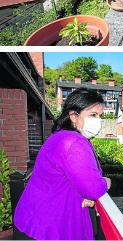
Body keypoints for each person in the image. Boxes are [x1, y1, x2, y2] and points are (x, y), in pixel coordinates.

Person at [13, 88, 111, 240]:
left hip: (36, 220)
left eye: (100, 116)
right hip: (51, 226)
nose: (98, 120)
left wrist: (85, 191)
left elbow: (76, 176)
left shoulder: (60, 136)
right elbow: (94, 187)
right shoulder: (74, 143)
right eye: (93, 115)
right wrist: (106, 181)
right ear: (73, 116)